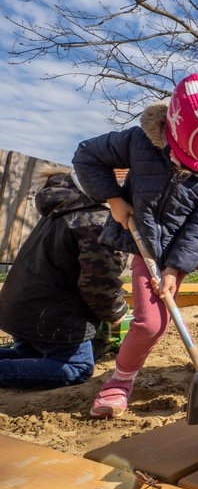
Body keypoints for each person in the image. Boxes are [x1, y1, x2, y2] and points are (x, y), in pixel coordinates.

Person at [73, 73, 198, 418]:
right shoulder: (142, 142)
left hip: (197, 245)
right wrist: (113, 198)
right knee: (149, 324)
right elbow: (87, 156)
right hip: (149, 244)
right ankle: (119, 382)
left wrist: (176, 269)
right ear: (183, 126)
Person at [0, 165, 128, 389]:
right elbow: (99, 284)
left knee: (28, 353)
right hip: (51, 316)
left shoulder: (67, 205)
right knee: (77, 368)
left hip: (22, 306)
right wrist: (115, 313)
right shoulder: (97, 221)